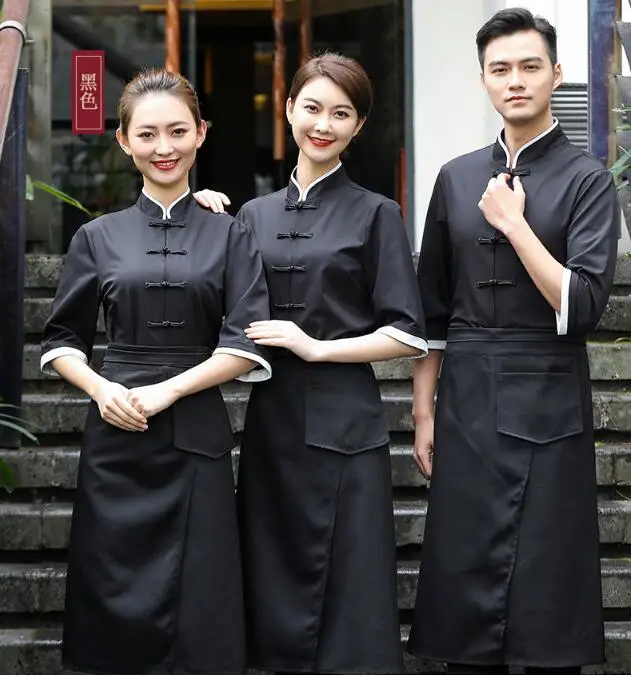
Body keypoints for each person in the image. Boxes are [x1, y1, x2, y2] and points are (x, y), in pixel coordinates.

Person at [194, 52, 427, 673]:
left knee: (351, 579)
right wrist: (199, 214)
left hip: (347, 423)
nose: (323, 123)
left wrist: (317, 346)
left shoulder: (379, 213)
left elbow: (408, 335)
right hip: (272, 425)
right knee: (271, 568)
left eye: (341, 113)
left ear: (359, 126)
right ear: (289, 107)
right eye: (313, 107)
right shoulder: (250, 215)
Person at [407, 8, 620, 675]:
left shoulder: (587, 180)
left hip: (549, 397)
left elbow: (581, 306)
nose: (515, 81)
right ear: (482, 80)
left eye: (530, 66)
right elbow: (431, 309)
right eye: (500, 69)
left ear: (555, 73)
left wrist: (514, 226)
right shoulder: (454, 177)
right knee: (467, 588)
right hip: (467, 399)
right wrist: (421, 410)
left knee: (547, 584)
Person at [40, 68, 271, 675]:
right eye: (147, 134)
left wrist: (168, 390)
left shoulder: (231, 233)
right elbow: (61, 342)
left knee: (203, 594)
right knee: (111, 586)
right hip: (117, 434)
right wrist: (100, 387)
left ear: (201, 134)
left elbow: (245, 345)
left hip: (196, 430)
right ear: (124, 141)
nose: (163, 147)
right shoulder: (95, 236)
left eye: (177, 131)